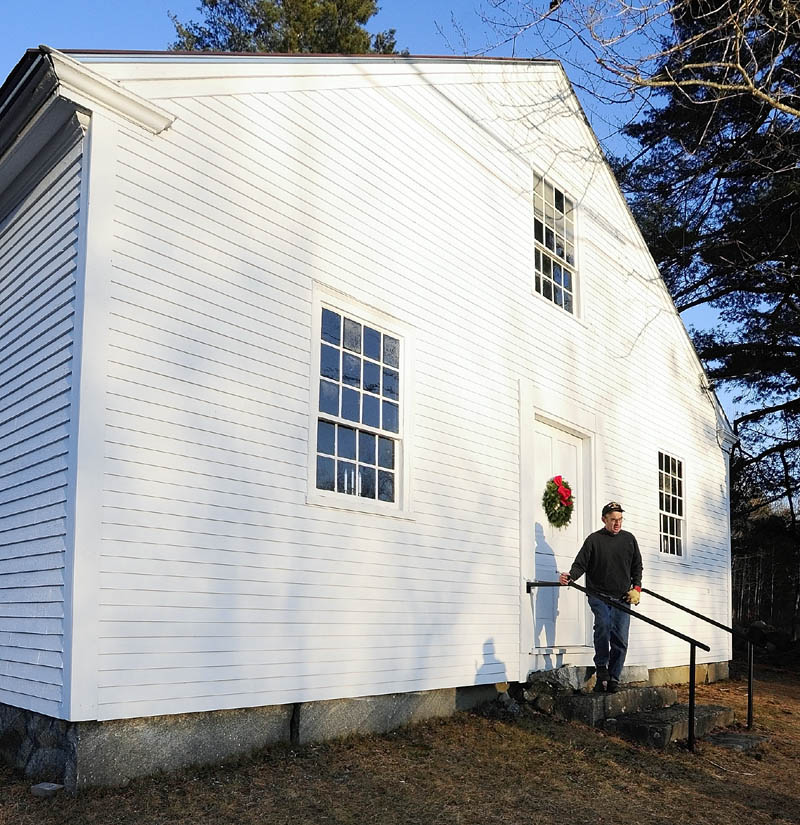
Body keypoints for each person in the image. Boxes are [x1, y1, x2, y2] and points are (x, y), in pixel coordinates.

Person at [558, 501, 643, 694]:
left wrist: (636, 588)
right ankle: (602, 668)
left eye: (620, 519)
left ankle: (613, 678)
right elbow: (581, 564)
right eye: (613, 519)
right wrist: (570, 576)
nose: (617, 523)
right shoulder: (594, 540)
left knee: (620, 638)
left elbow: (637, 566)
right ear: (604, 519)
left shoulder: (629, 539)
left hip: (623, 598)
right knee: (603, 625)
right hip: (598, 594)